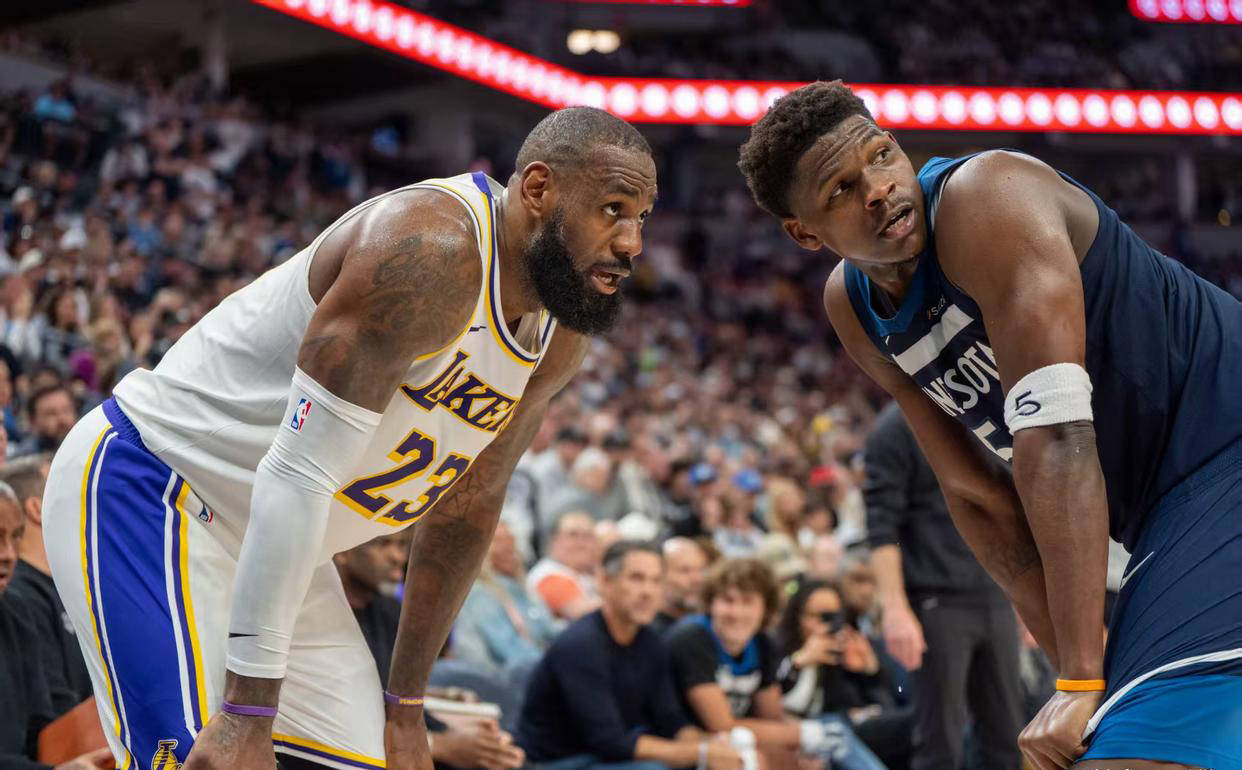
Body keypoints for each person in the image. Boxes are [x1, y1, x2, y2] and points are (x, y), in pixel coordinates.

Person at [42, 106, 657, 770]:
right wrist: (248, 711)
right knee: (204, 760)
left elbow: (468, 505)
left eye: (642, 218)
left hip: (285, 548)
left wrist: (407, 709)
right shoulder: (433, 251)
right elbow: (298, 474)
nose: (632, 243)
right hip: (157, 491)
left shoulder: (561, 329)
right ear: (538, 189)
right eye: (613, 210)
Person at [738, 79, 1242, 770]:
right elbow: (977, 496)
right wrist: (1076, 667)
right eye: (842, 190)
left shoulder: (988, 199)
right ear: (805, 233)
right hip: (1167, 508)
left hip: (1223, 448)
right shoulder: (852, 307)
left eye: (881, 156)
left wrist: (1079, 682)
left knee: (1130, 756)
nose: (879, 189)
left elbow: (1058, 438)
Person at [864, 401, 1022, 769]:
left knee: (1007, 738)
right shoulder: (895, 427)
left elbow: (1008, 515)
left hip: (995, 594)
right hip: (936, 600)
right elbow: (881, 528)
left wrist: (1025, 600)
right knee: (940, 743)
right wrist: (894, 609)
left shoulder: (983, 410)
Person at [517, 540, 742, 770]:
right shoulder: (580, 645)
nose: (647, 592)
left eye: (656, 581)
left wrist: (713, 746)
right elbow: (609, 742)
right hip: (555, 761)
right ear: (605, 581)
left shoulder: (650, 640)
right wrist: (700, 753)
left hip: (607, 755)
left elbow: (671, 720)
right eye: (636, 578)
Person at [665, 558, 886, 770]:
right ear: (711, 603)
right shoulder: (692, 638)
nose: (736, 612)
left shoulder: (762, 643)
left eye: (748, 602)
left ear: (765, 608)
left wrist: (800, 745)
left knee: (812, 749)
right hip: (685, 742)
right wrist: (803, 734)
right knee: (756, 756)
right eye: (727, 600)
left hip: (739, 738)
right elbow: (721, 724)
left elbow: (772, 716)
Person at [0, 480, 114, 770]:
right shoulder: (29, 596)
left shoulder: (16, 613)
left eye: (15, 537)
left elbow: (42, 732)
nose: (8, 554)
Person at [775, 580, 913, 770]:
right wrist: (800, 663)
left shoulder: (848, 649)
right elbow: (778, 705)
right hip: (808, 730)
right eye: (819, 616)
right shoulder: (780, 652)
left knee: (919, 722)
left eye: (834, 616)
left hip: (853, 731)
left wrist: (869, 671)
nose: (827, 623)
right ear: (798, 618)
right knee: (834, 727)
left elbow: (886, 705)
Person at [3, 454, 94, 716]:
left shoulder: (71, 585)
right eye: (68, 486)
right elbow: (54, 715)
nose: (83, 499)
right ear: (37, 508)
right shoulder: (19, 597)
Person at [454, 522, 560, 677]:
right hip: (504, 679)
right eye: (498, 541)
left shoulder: (520, 588)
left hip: (536, 669)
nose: (508, 547)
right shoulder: (479, 595)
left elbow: (548, 629)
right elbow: (509, 650)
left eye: (510, 539)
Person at [528, 511, 603, 622]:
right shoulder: (549, 575)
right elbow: (591, 614)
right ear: (555, 541)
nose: (581, 543)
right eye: (573, 535)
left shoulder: (586, 574)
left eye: (587, 537)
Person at [650, 537, 707, 634]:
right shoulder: (645, 629)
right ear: (660, 576)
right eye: (685, 570)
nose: (697, 579)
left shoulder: (711, 627)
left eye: (701, 570)